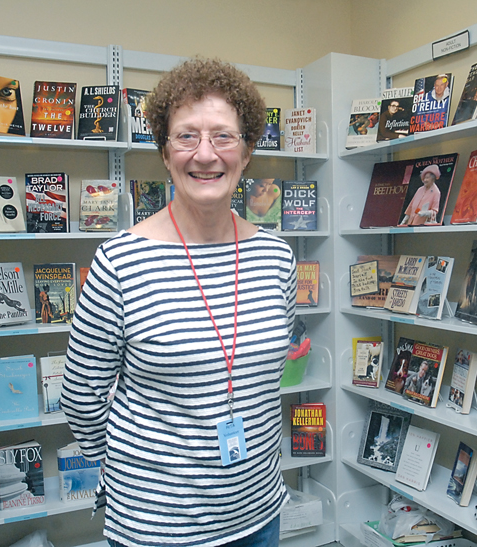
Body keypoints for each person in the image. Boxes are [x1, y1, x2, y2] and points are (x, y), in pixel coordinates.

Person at [61, 57, 297, 547]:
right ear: (165, 153)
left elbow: (265, 382)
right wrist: (139, 475)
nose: (205, 155)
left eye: (223, 137)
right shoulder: (120, 262)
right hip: (157, 528)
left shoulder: (276, 257)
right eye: (187, 136)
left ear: (247, 151)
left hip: (258, 515)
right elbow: (82, 399)